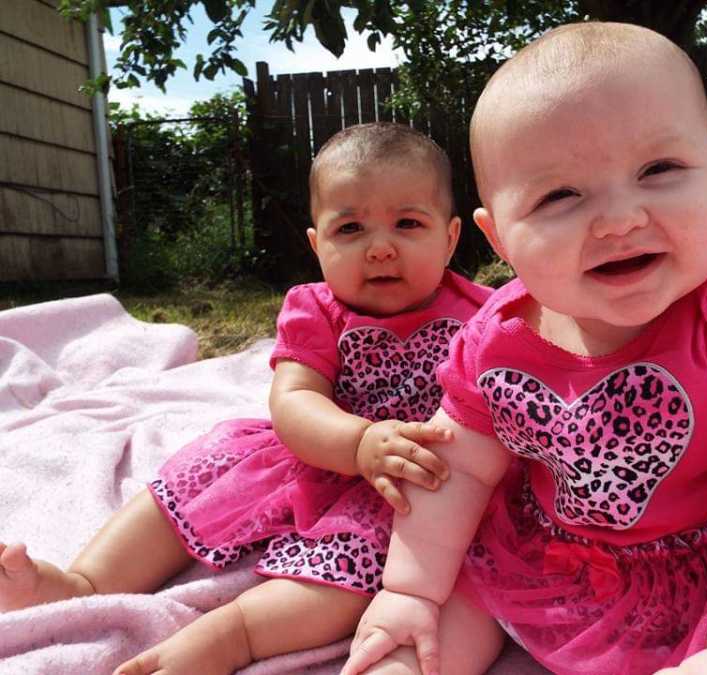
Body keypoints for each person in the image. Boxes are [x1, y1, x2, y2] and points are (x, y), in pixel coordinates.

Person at [340, 23, 707, 675]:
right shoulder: (495, 338)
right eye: (559, 196)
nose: (619, 218)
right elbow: (455, 471)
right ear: (500, 240)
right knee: (458, 593)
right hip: (560, 556)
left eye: (658, 170)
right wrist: (408, 588)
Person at [0, 122, 493, 675]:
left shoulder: (484, 314)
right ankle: (82, 582)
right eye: (350, 228)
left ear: (450, 238)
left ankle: (233, 634)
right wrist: (355, 441)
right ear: (317, 245)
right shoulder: (317, 309)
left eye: (407, 223)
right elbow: (295, 399)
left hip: (410, 487)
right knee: (192, 483)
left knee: (354, 575)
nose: (380, 248)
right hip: (315, 451)